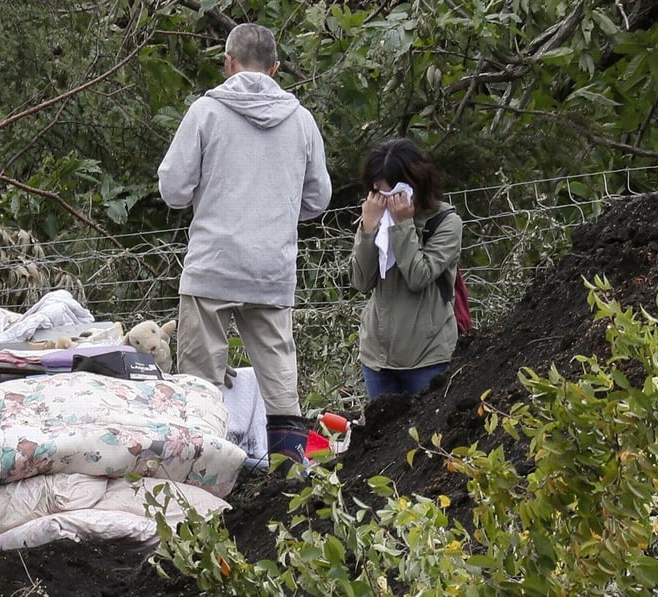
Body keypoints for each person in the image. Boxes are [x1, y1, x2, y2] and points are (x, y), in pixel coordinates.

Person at [157, 23, 332, 466]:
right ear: (275, 68)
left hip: (212, 264)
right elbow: (318, 199)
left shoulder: (206, 112)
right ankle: (289, 476)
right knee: (278, 374)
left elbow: (174, 189)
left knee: (199, 381)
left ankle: (198, 479)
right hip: (270, 268)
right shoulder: (301, 120)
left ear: (228, 63)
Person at [349, 138, 462, 401]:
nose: (386, 202)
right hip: (377, 358)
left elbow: (418, 276)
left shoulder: (446, 223)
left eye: (393, 194)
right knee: (381, 438)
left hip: (427, 357)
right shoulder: (376, 218)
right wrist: (368, 230)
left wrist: (403, 225)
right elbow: (361, 281)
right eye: (378, 194)